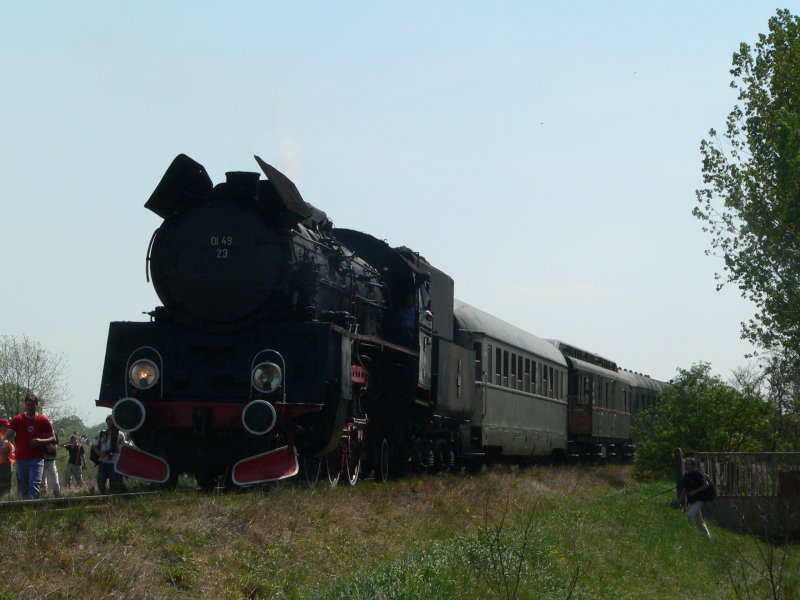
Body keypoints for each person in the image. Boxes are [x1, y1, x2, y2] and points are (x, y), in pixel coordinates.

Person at [5, 392, 56, 500]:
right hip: (21, 458)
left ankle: (33, 511)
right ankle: (26, 512)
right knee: (23, 487)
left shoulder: (43, 420)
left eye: (32, 405)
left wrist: (40, 441)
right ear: (25, 405)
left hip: (37, 459)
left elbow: (53, 438)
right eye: (27, 405)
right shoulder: (18, 419)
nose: (30, 407)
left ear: (36, 405)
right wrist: (6, 443)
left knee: (34, 485)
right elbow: (8, 435)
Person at [679, 456, 712, 539]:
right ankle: (708, 538)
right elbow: (684, 488)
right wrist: (680, 499)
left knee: (690, 515)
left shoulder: (698, 474)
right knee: (699, 520)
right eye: (685, 464)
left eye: (687, 464)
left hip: (699, 499)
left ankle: (693, 537)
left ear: (692, 465)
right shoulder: (686, 476)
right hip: (691, 501)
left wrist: (695, 491)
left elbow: (706, 484)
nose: (685, 466)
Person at [93, 416, 125, 494]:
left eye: (112, 423)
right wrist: (100, 454)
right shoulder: (101, 434)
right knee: (100, 482)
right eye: (108, 423)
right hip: (103, 462)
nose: (110, 425)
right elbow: (94, 446)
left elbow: (122, 449)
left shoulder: (120, 435)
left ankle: (112, 499)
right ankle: (104, 496)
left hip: (114, 462)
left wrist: (113, 450)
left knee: (114, 483)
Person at [42, 430, 60, 496]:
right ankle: (43, 496)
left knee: (55, 481)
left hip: (51, 460)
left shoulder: (54, 434)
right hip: (41, 461)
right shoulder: (40, 433)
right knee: (42, 481)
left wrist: (49, 446)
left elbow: (54, 448)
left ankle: (57, 496)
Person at [0, 418, 15, 496]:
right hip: (4, 464)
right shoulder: (1, 437)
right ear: (0, 426)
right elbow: (3, 451)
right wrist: (5, 459)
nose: (7, 428)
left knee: (4, 484)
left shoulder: (3, 436)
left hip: (5, 463)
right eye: (5, 426)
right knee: (4, 485)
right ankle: (5, 502)